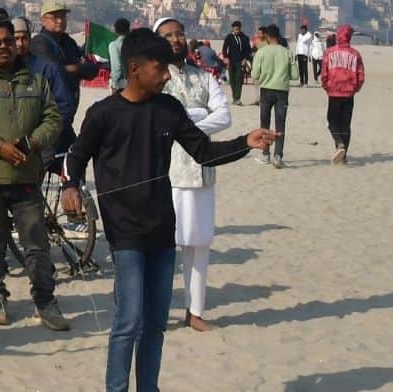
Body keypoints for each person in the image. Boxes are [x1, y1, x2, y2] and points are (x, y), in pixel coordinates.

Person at [63, 31, 276, 392]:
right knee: (129, 320)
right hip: (125, 230)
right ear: (134, 69)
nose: (166, 76)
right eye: (159, 68)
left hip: (163, 227)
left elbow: (204, 152)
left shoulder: (169, 109)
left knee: (156, 323)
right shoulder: (104, 114)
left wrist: (245, 143)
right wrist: (70, 187)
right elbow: (76, 156)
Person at [0, 12, 67, 331]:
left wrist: (31, 142)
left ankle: (45, 301)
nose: (4, 47)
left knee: (37, 243)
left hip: (27, 176)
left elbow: (53, 118)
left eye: (9, 41)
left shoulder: (36, 80)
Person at [155, 19, 228, 332]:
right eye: (168, 35)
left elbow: (224, 116)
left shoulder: (204, 77)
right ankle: (157, 312)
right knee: (162, 246)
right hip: (166, 173)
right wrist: (198, 117)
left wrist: (188, 125)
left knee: (199, 245)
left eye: (179, 33)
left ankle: (194, 311)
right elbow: (157, 121)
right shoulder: (155, 81)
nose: (175, 39)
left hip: (202, 172)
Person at [28, 0, 100, 156]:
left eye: (63, 17)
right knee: (44, 159)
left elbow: (91, 70)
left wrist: (75, 67)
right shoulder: (39, 43)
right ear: (43, 20)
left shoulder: (69, 42)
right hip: (47, 115)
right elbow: (54, 71)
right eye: (54, 17)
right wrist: (76, 67)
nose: (60, 21)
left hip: (66, 113)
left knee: (75, 159)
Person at [321, 24, 366, 164]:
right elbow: (361, 76)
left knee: (332, 121)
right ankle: (343, 154)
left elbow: (324, 74)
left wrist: (327, 87)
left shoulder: (329, 53)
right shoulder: (355, 54)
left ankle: (339, 144)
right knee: (345, 124)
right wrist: (355, 88)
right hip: (348, 94)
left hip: (334, 93)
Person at [248, 26, 292, 168]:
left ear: (266, 37)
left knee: (264, 125)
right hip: (282, 91)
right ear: (278, 36)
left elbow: (254, 75)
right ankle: (278, 156)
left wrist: (264, 76)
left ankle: (266, 155)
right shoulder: (287, 52)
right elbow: (296, 75)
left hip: (266, 90)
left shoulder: (261, 52)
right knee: (280, 125)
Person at [219, 21, 252, 106]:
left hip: (241, 61)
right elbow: (224, 48)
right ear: (232, 28)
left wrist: (246, 59)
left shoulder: (245, 37)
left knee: (239, 79)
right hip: (231, 61)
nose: (237, 29)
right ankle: (234, 98)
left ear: (240, 28)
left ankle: (237, 98)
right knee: (232, 80)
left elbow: (248, 50)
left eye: (238, 28)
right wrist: (226, 57)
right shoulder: (229, 37)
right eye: (235, 27)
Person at [106, 17, 130, 94]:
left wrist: (114, 84)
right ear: (128, 30)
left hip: (120, 84)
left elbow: (116, 66)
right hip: (133, 83)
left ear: (116, 31)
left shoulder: (114, 45)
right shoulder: (134, 44)